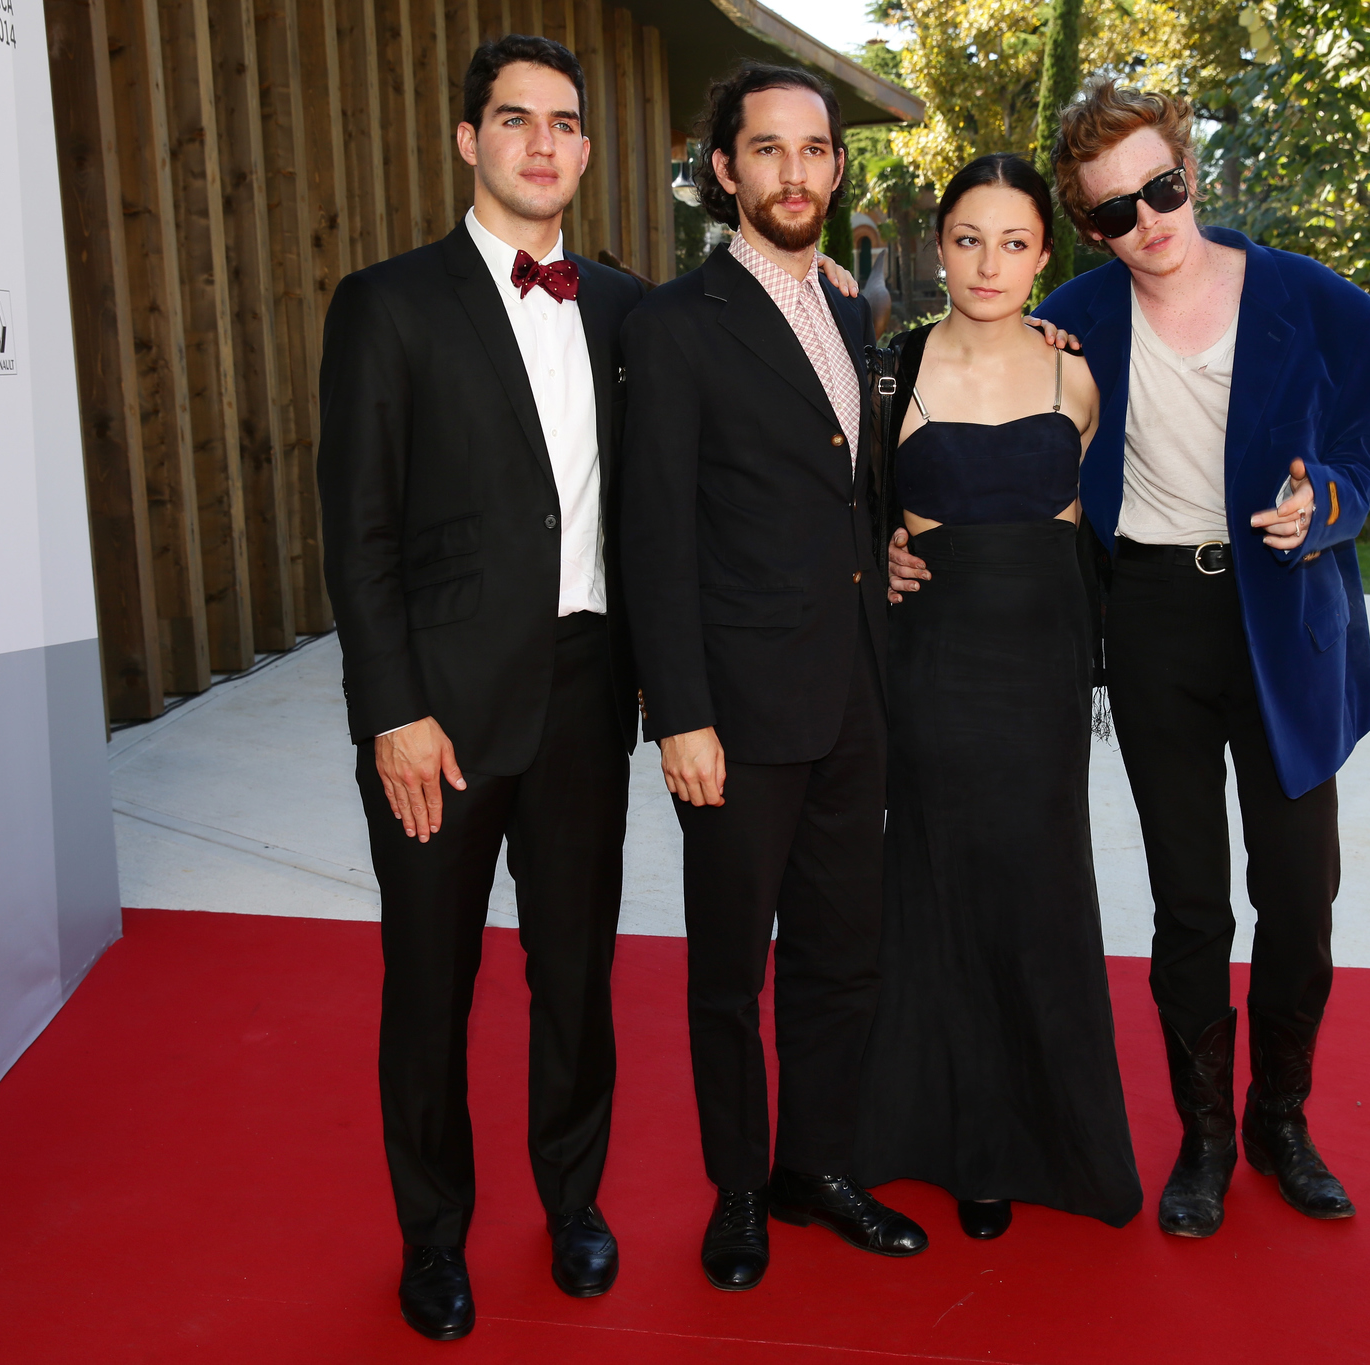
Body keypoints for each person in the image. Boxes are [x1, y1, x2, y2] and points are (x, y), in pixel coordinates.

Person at [892, 82, 1370, 1240]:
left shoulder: (1317, 300)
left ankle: (1282, 1118)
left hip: (1283, 616)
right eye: (1116, 212)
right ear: (1089, 226)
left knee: (1298, 899)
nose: (1148, 222)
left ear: (1188, 172)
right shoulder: (1072, 318)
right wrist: (892, 527)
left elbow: (1364, 448)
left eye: (1160, 190)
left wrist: (1324, 501)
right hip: (1153, 619)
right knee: (1187, 907)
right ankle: (1205, 1137)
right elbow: (968, 409)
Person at [317, 35, 644, 1342]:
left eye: (563, 122)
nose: (543, 143)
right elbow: (360, 535)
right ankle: (434, 1237)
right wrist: (392, 710)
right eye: (516, 120)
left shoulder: (624, 305)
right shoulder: (387, 305)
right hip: (438, 716)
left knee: (575, 975)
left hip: (585, 691)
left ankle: (574, 1204)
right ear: (470, 140)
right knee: (430, 986)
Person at [619, 61, 928, 1292]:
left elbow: (841, 487)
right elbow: (656, 536)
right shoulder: (674, 325)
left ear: (835, 167)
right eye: (768, 151)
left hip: (857, 692)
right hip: (736, 715)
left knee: (841, 954)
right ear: (723, 169)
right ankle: (738, 1190)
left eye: (815, 150)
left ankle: (818, 1166)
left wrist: (883, 556)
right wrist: (677, 712)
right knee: (726, 970)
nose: (794, 172)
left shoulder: (851, 314)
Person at [851, 154, 1143, 1240]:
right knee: (935, 887)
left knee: (1038, 888)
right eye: (967, 238)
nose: (987, 262)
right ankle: (961, 1143)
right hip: (931, 666)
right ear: (938, 246)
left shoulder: (1076, 374)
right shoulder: (891, 371)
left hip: (1043, 669)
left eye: (1012, 241)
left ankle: (1053, 1138)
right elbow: (847, 506)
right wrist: (878, 549)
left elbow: (1098, 525)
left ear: (1041, 256)